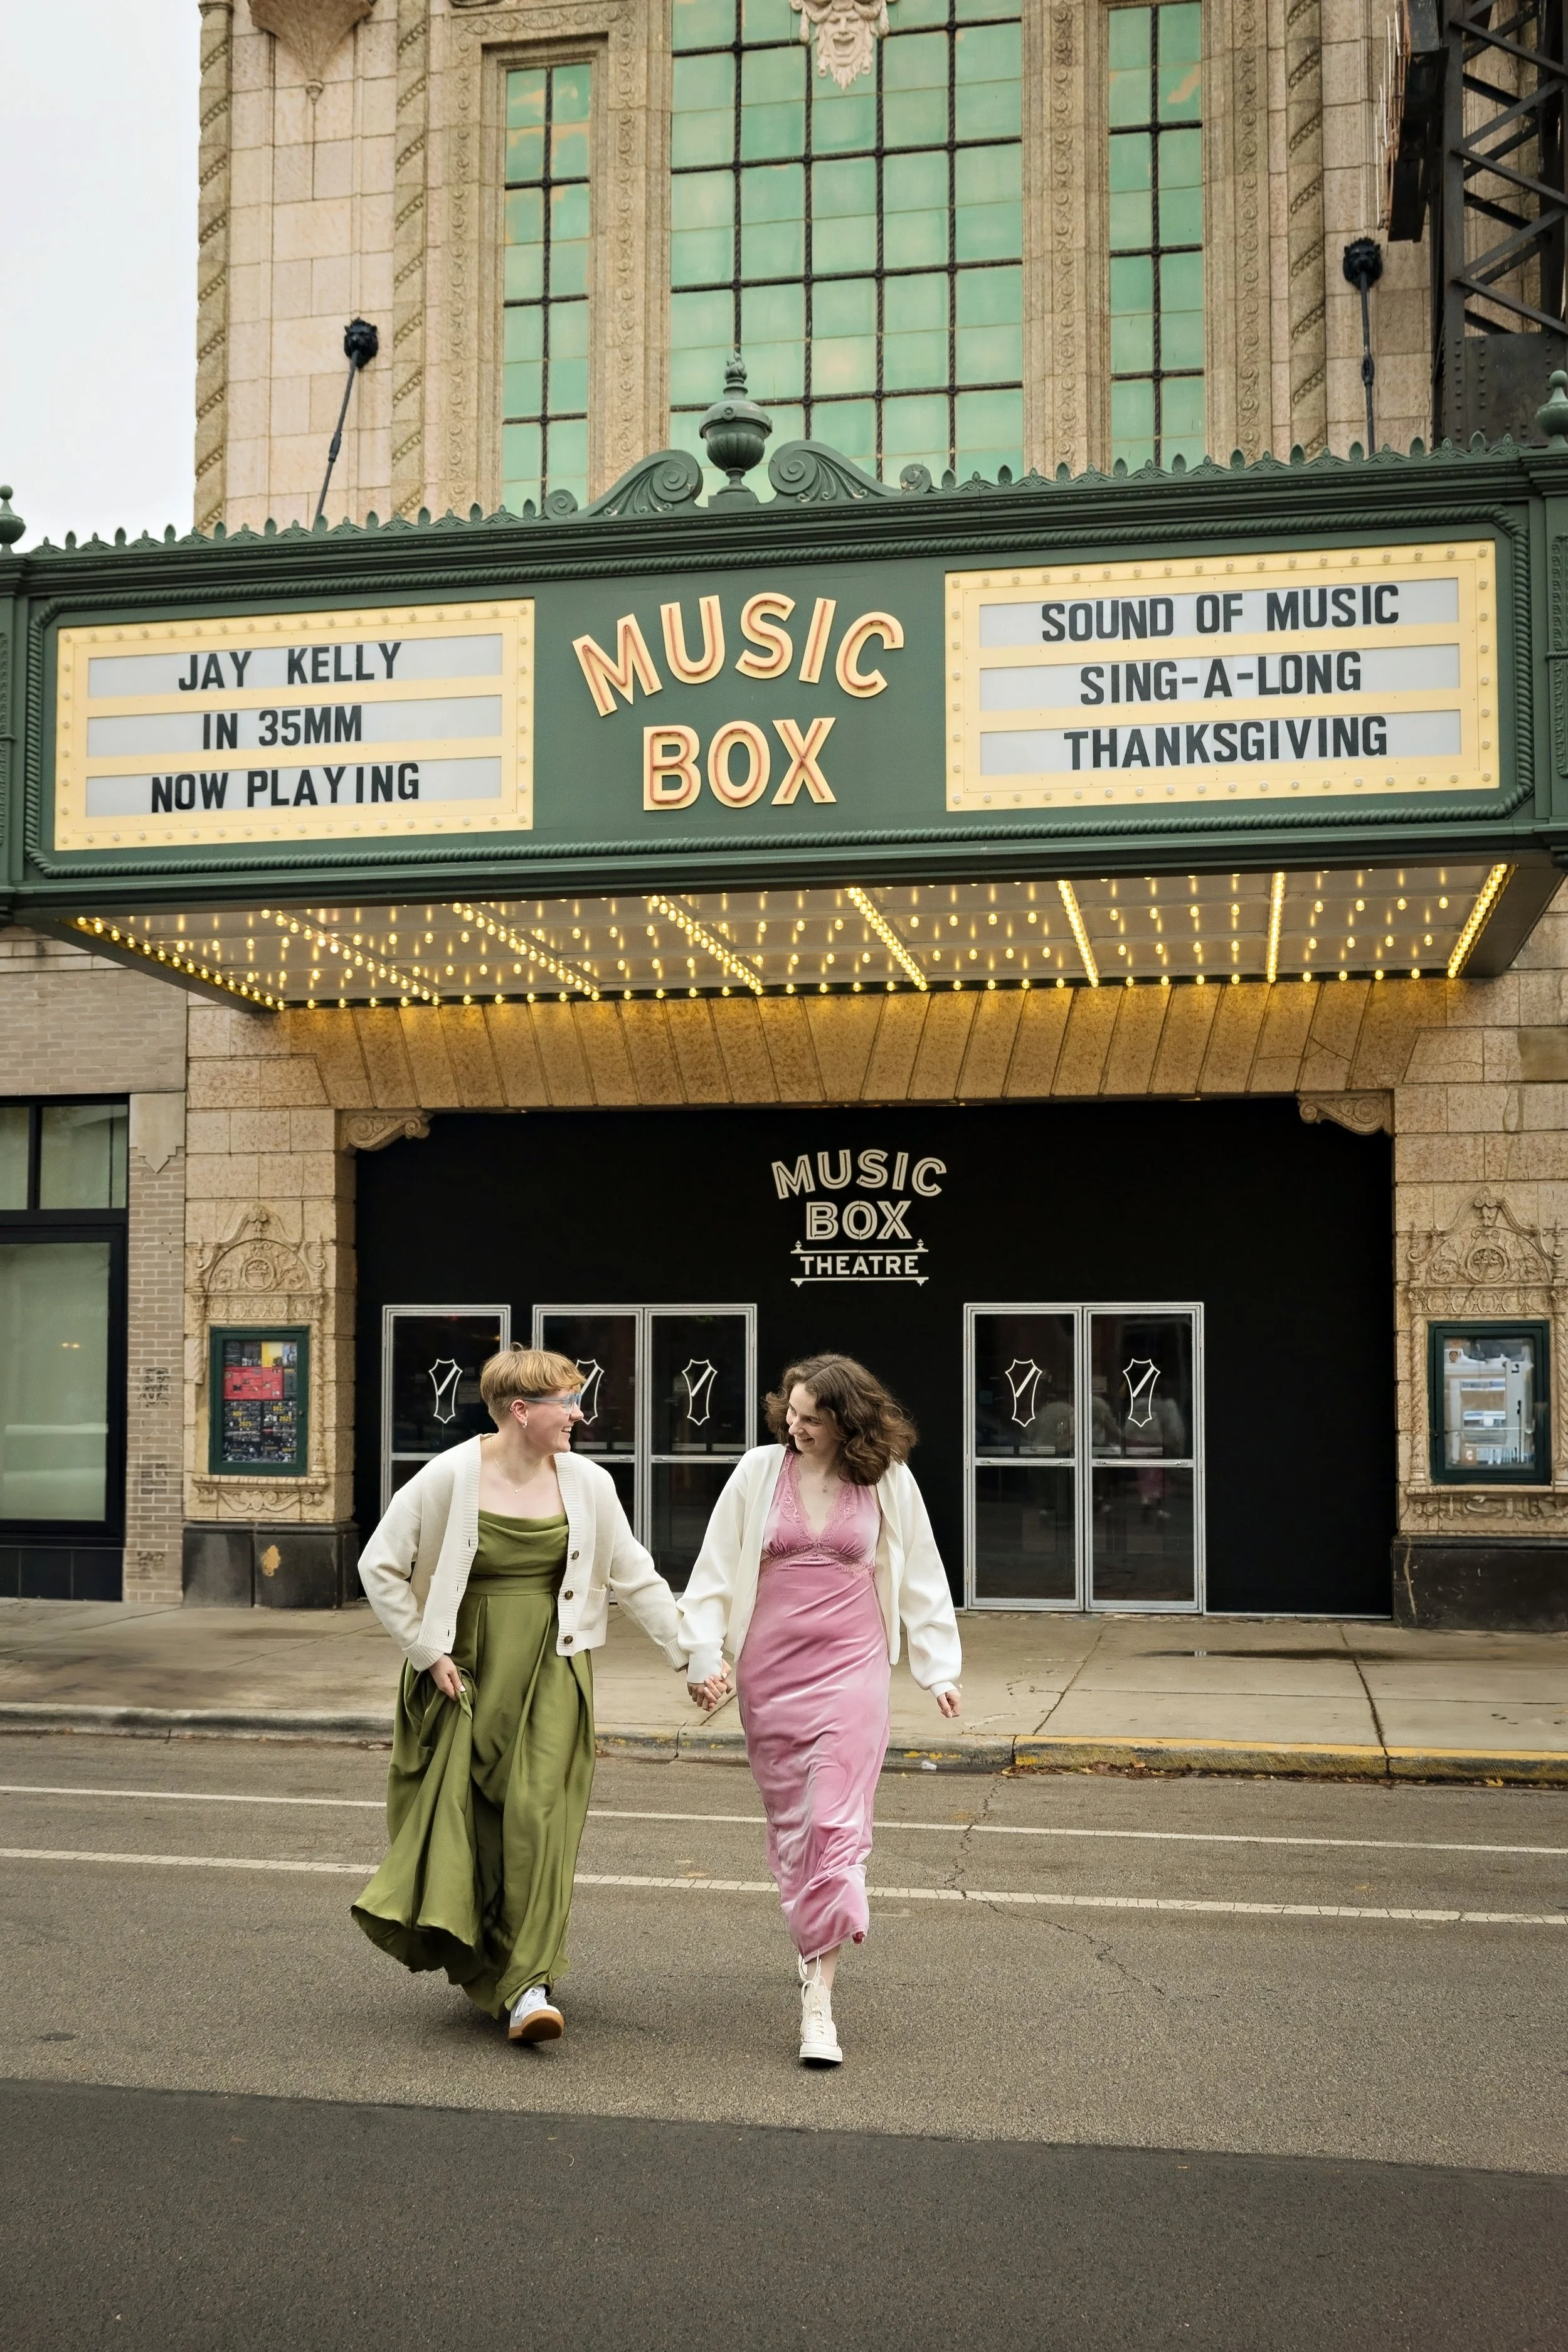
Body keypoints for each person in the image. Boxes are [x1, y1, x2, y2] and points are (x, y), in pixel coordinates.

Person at [352, 1345, 712, 2043]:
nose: (579, 1414)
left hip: (553, 1665)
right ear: (522, 1412)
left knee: (539, 1820)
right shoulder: (448, 1476)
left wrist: (693, 1656)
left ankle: (528, 1986)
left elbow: (633, 1574)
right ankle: (486, 1956)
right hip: (468, 1670)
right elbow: (380, 1565)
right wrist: (427, 1654)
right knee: (475, 1823)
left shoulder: (587, 1482)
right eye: (567, 1403)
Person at [679, 1352, 961, 2068]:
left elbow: (923, 1574)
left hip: (852, 1670)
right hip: (770, 1674)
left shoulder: (886, 1480)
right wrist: (703, 1654)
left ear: (847, 1421)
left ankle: (819, 2005)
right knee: (796, 1834)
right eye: (792, 1412)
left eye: (812, 1417)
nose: (795, 1425)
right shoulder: (756, 1472)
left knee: (835, 1823)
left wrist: (937, 1669)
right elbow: (714, 1571)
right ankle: (812, 1950)